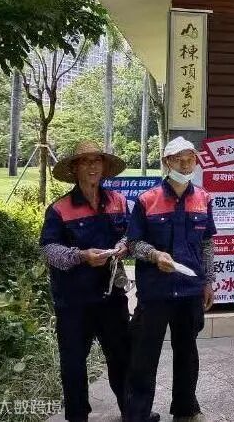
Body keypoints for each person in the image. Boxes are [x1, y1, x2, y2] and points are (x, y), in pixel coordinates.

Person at [40, 141, 160, 422]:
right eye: (85, 161)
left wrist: (123, 246)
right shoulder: (60, 209)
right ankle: (77, 416)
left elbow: (131, 234)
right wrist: (81, 256)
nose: (93, 166)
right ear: (74, 168)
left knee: (122, 355)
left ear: (104, 167)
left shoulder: (118, 201)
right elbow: (48, 250)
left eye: (97, 160)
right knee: (73, 362)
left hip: (110, 295)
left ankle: (132, 413)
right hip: (73, 300)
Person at [125, 137, 216, 422]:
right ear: (167, 162)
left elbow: (207, 244)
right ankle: (138, 414)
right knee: (144, 355)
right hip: (155, 292)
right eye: (178, 158)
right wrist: (154, 255)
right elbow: (133, 244)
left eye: (190, 158)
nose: (185, 164)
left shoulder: (203, 198)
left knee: (187, 352)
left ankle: (185, 410)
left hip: (189, 290)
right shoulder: (147, 200)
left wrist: (208, 281)